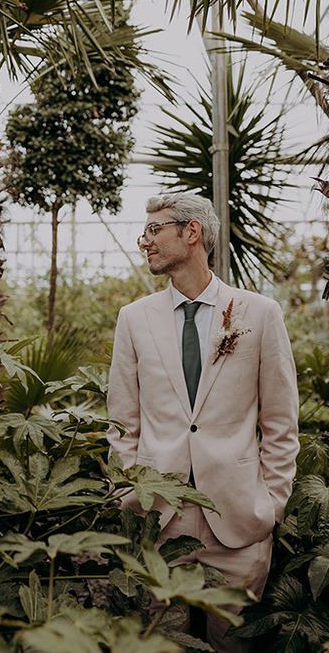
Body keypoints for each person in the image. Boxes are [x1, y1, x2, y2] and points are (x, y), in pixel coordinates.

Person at [106, 194, 299, 652]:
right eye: (144, 232)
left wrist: (271, 505)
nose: (145, 242)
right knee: (160, 644)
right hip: (157, 518)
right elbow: (123, 420)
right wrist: (128, 494)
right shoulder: (134, 319)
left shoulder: (259, 314)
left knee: (233, 645)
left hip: (238, 523)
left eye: (155, 230)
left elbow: (280, 421)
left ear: (192, 233)